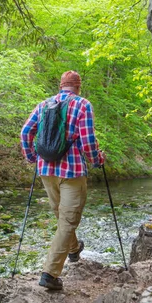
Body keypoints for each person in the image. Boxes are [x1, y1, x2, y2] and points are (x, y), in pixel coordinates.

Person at [20, 70, 106, 290]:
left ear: (61, 86)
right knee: (67, 221)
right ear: (78, 86)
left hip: (46, 170)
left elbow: (25, 132)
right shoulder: (83, 105)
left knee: (62, 217)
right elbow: (87, 142)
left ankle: (74, 249)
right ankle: (50, 273)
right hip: (72, 172)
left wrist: (32, 157)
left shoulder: (44, 105)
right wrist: (97, 160)